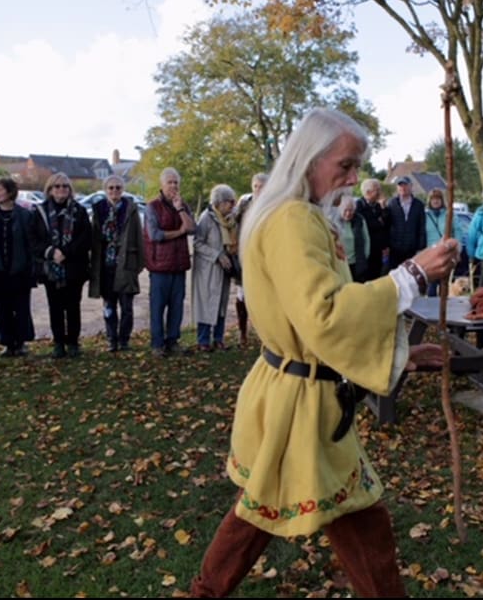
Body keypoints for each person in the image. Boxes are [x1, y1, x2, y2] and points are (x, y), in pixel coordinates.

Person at [190, 108, 458, 598]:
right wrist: (412, 276)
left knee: (289, 514)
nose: (354, 178)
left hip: (301, 396)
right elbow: (325, 314)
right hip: (299, 404)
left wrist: (402, 356)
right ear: (310, 159)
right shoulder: (292, 220)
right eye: (346, 165)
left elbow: (319, 322)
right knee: (321, 519)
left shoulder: (297, 214)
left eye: (358, 167)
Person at [0, 176, 39, 357]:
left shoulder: (24, 215)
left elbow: (31, 242)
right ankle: (7, 343)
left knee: (21, 308)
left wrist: (27, 263)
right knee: (2, 309)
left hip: (20, 270)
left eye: (0, 189)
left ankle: (21, 342)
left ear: (10, 192)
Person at [35, 173, 92, 358]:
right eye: (57, 186)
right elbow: (34, 240)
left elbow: (86, 238)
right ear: (50, 189)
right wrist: (52, 252)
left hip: (74, 266)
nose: (61, 189)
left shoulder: (79, 211)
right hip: (51, 268)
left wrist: (65, 252)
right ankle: (58, 343)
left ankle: (73, 342)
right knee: (55, 307)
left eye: (65, 186)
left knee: (73, 307)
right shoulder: (40, 211)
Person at [89, 175, 144, 352]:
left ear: (123, 189)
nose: (114, 191)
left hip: (126, 264)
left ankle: (124, 339)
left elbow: (139, 237)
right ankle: (111, 338)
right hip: (106, 266)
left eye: (118, 188)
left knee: (127, 307)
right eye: (111, 188)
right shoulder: (99, 209)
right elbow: (94, 238)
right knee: (109, 306)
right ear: (105, 190)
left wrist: (138, 264)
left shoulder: (130, 209)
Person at [144, 167, 195, 357]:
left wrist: (180, 209)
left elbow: (192, 229)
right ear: (162, 185)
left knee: (177, 307)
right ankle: (157, 344)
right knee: (157, 307)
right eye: (170, 182)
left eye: (176, 182)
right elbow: (155, 235)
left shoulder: (183, 205)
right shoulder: (152, 207)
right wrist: (179, 232)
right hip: (159, 266)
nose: (173, 186)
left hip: (179, 265)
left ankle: (173, 341)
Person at [192, 184, 237, 352]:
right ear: (220, 202)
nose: (232, 205)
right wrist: (217, 255)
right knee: (207, 304)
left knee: (221, 305)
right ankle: (203, 340)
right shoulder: (207, 218)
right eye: (230, 202)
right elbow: (197, 243)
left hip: (225, 268)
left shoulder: (229, 219)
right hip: (209, 269)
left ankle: (219, 339)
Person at [232, 172, 267, 347]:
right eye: (256, 186)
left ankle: (265, 332)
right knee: (242, 295)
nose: (258, 190)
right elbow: (234, 222)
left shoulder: (272, 204)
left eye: (262, 187)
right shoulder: (244, 203)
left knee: (263, 295)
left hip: (264, 255)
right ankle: (242, 331)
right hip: (244, 255)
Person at [423, 187, 465, 296]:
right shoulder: (425, 216)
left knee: (444, 282)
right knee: (432, 283)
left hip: (446, 252)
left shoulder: (449, 214)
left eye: (438, 199)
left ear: (442, 200)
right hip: (431, 253)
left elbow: (458, 231)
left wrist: (457, 247)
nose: (435, 201)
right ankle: (431, 304)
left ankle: (444, 304)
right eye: (433, 199)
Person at [386, 175, 427, 270]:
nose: (403, 188)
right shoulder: (391, 203)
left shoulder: (419, 205)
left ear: (411, 186)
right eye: (400, 185)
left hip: (412, 249)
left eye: (405, 185)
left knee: (411, 275)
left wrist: (421, 247)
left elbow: (421, 227)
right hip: (395, 249)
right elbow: (387, 225)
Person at [354, 178, 388, 281]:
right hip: (365, 250)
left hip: (378, 250)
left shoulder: (378, 206)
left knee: (377, 276)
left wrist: (384, 209)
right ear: (368, 192)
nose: (379, 193)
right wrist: (378, 222)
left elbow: (385, 224)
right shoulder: (358, 206)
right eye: (376, 190)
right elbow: (367, 225)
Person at [337, 196, 371, 282]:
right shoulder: (334, 221)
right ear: (340, 209)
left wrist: (365, 255)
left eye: (351, 210)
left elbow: (366, 239)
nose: (348, 213)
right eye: (345, 210)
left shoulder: (360, 220)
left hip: (357, 262)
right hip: (340, 263)